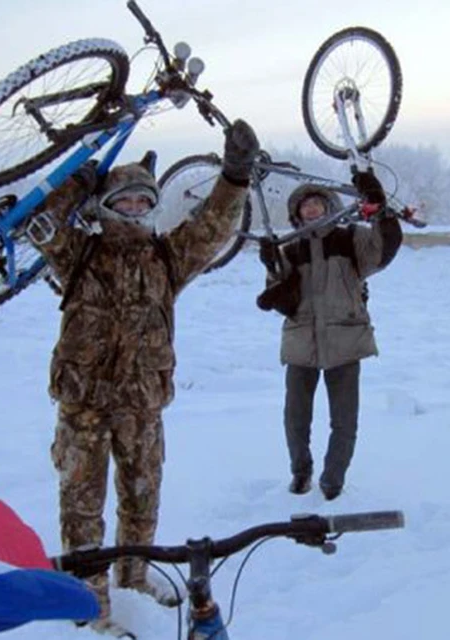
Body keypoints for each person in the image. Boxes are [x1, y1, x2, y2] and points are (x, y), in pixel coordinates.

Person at [30, 120, 259, 637]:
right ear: (106, 205)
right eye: (124, 201)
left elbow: (212, 227)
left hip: (143, 407)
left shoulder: (165, 257)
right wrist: (79, 179)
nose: (134, 209)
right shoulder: (79, 252)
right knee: (82, 510)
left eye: (142, 201)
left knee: (142, 501)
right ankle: (90, 603)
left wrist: (236, 176)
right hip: (83, 407)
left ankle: (133, 582)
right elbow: (39, 220)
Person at [257, 170, 402, 500]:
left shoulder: (351, 239)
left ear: (329, 206)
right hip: (301, 343)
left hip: (345, 340)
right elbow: (282, 296)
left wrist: (378, 204)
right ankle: (300, 472)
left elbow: (385, 246)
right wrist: (272, 270)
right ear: (296, 213)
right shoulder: (290, 250)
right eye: (304, 205)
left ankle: (333, 480)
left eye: (317, 203)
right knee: (295, 418)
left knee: (344, 420)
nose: (311, 209)